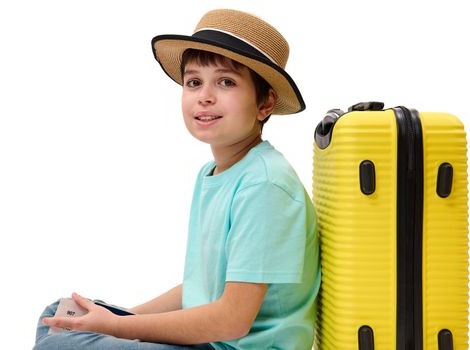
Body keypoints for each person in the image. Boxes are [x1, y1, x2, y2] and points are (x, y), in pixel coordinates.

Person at [34, 8, 320, 350]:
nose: (205, 96)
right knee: (60, 316)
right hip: (211, 341)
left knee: (62, 344)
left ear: (265, 103)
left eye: (226, 82)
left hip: (233, 345)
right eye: (194, 82)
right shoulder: (214, 173)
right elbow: (199, 287)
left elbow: (232, 319)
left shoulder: (265, 185)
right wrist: (114, 321)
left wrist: (118, 328)